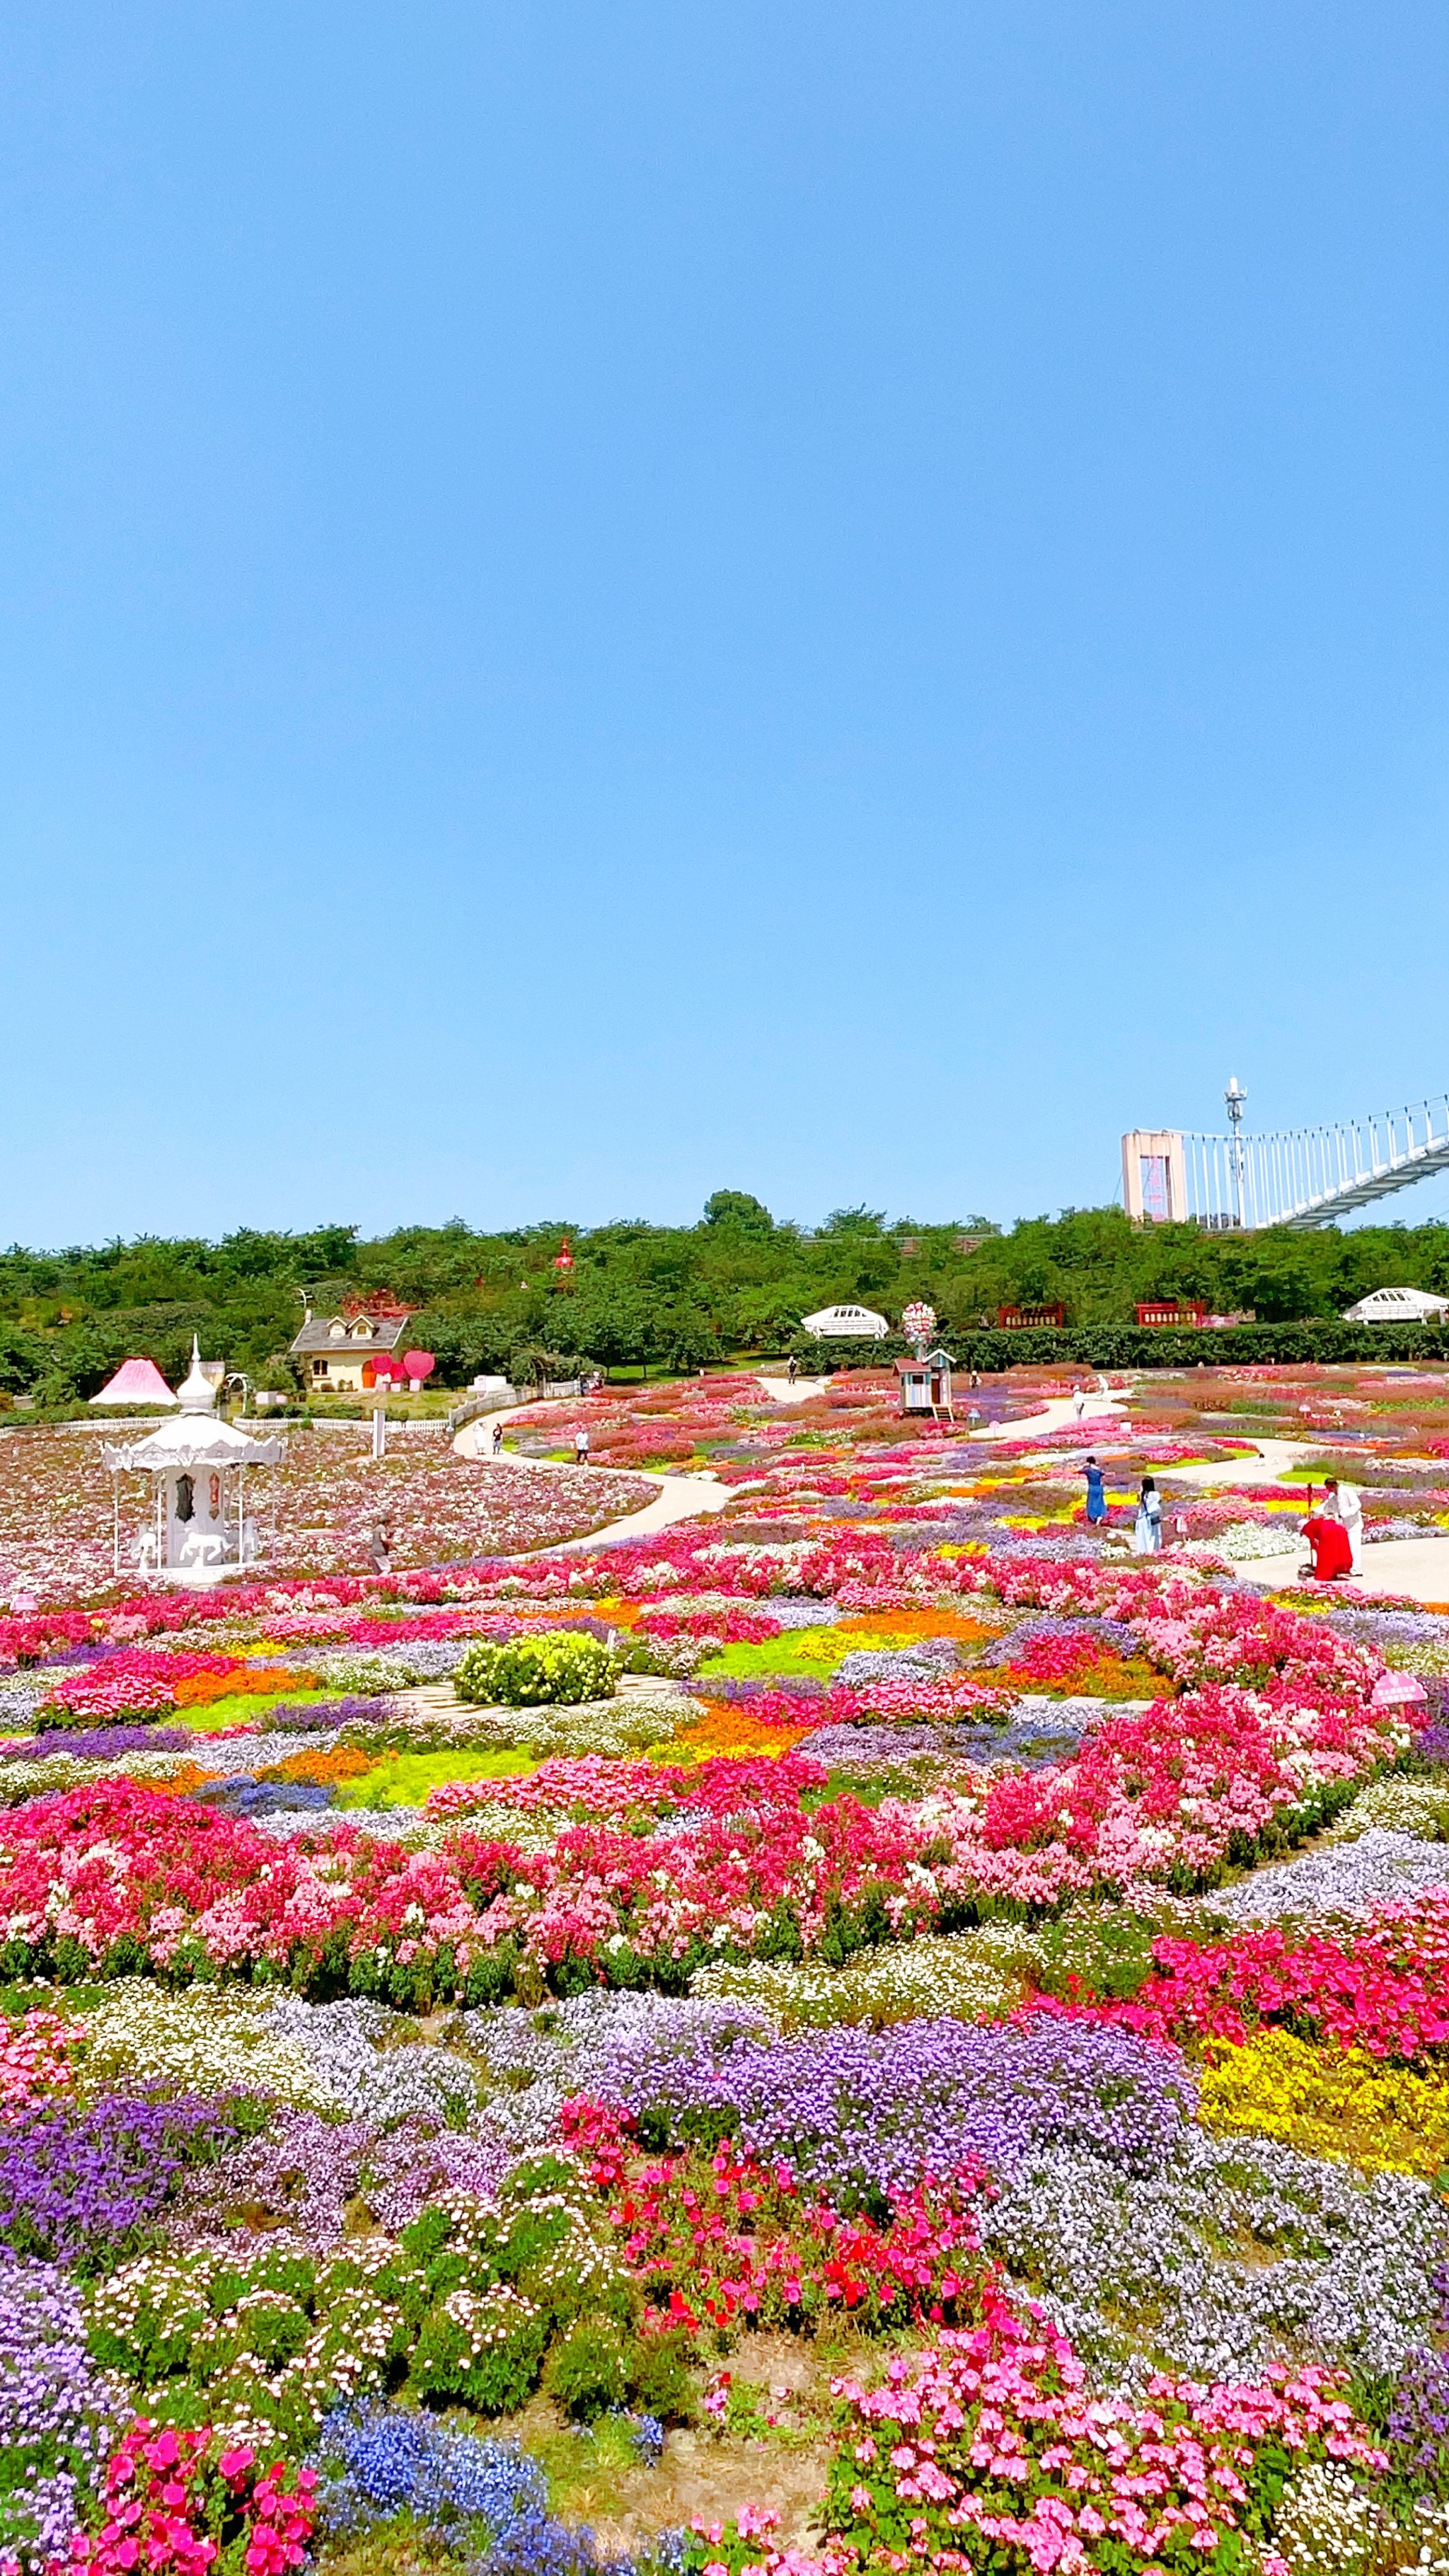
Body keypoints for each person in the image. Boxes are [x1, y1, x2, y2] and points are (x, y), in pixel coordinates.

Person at [1322, 1475, 1363, 1573]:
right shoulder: (1333, 1496)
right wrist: (1315, 1511)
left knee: (1354, 1547)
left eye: (1328, 1488)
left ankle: (1357, 1569)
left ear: (1333, 1485)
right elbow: (1327, 1506)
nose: (1328, 1490)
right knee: (1346, 1548)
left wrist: (1345, 1514)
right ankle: (1347, 1567)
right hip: (1343, 1526)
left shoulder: (1347, 1491)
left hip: (1354, 1524)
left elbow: (1357, 1505)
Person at [1133, 1476, 1162, 1553]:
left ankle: (1144, 1553)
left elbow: (1138, 1504)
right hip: (1152, 1518)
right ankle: (1153, 1553)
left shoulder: (1143, 1495)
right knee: (1153, 1537)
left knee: (1143, 1538)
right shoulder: (1155, 1494)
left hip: (1142, 1519)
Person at [1082, 1454, 1107, 1527]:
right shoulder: (1098, 1470)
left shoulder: (1088, 1470)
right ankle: (1100, 1516)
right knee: (1100, 1502)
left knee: (1091, 1503)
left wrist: (1085, 1465)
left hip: (1092, 1487)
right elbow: (1104, 1473)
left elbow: (1078, 1471)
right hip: (1099, 1487)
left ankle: (1093, 1518)